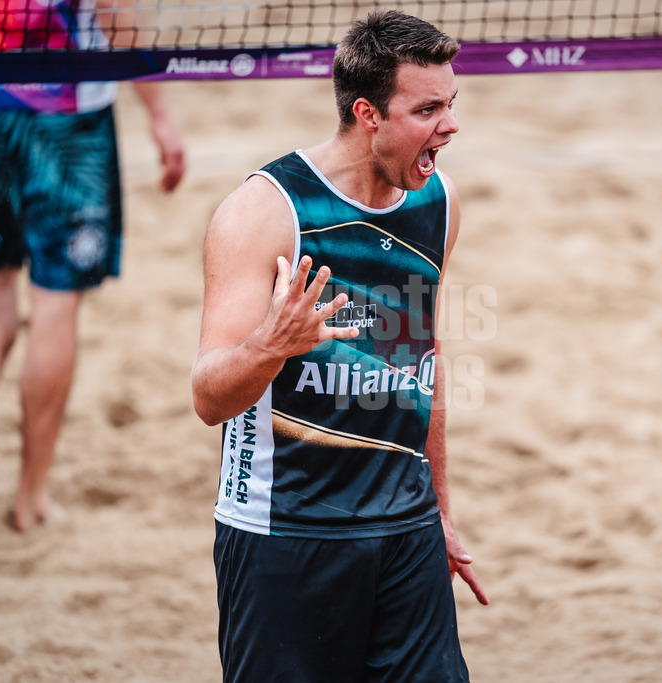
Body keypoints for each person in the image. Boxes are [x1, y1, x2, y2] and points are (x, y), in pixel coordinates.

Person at [191, 9, 488, 682]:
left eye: (452, 103)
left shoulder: (438, 201)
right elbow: (208, 396)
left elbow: (426, 359)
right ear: (368, 113)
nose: (450, 124)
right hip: (285, 531)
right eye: (428, 108)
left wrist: (440, 512)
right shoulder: (266, 212)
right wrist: (271, 345)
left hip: (405, 528)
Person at [0, 0, 186, 532]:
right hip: (69, 108)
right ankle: (32, 499)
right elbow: (112, 9)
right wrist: (159, 114)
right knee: (55, 298)